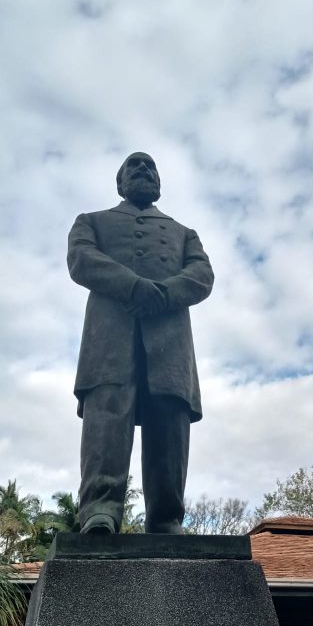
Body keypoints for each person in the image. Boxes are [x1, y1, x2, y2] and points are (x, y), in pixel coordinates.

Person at [67, 152, 214, 534]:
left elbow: (202, 275)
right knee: (107, 414)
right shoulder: (92, 222)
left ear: (160, 185)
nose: (145, 170)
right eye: (135, 166)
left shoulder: (185, 233)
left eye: (151, 167)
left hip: (170, 343)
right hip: (110, 337)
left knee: (169, 419)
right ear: (120, 183)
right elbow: (82, 259)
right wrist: (133, 286)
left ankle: (166, 518)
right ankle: (99, 510)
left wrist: (163, 294)